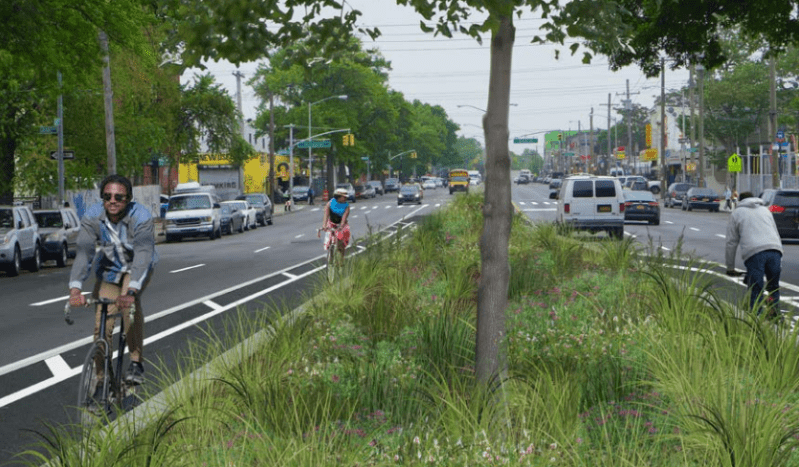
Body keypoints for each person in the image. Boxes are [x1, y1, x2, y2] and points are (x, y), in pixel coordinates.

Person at [69, 174, 157, 386]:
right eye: (107, 196)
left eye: (119, 197)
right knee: (102, 323)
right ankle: (102, 379)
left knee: (129, 306)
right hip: (109, 270)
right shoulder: (92, 216)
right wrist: (75, 288)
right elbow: (84, 252)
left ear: (128, 199)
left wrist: (131, 291)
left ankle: (136, 362)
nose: (113, 201)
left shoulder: (141, 216)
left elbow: (144, 253)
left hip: (136, 268)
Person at [725, 191, 783, 317]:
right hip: (775, 250)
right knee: (773, 285)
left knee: (756, 286)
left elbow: (731, 242)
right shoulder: (765, 210)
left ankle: (756, 317)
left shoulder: (737, 213)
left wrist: (730, 267)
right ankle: (775, 313)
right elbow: (775, 232)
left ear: (740, 201)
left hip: (754, 252)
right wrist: (779, 255)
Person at [319, 187, 351, 260]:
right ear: (338, 197)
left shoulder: (347, 206)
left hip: (341, 224)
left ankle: (341, 258)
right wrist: (324, 225)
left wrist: (341, 226)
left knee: (341, 241)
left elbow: (344, 218)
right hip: (331, 223)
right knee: (330, 238)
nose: (345, 199)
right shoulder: (330, 204)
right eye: (344, 197)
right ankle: (331, 255)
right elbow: (326, 215)